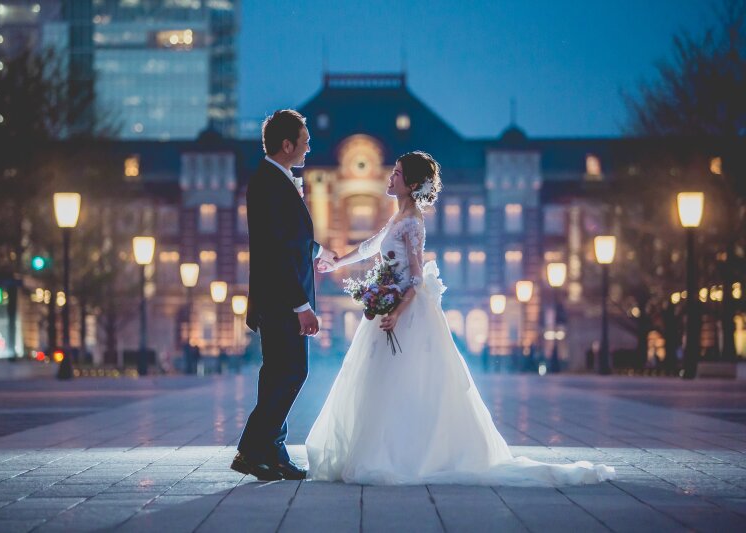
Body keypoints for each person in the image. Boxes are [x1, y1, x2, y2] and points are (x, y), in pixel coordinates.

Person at [305, 151, 615, 486]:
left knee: (402, 380)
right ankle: (381, 449)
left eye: (395, 174)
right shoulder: (397, 219)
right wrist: (336, 264)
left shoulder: (412, 222)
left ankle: (402, 453)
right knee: (381, 380)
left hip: (405, 313)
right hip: (389, 307)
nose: (389, 178)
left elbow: (415, 278)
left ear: (410, 184)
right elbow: (369, 247)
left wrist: (395, 311)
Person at [231, 110, 337, 482]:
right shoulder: (269, 183)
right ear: (287, 144)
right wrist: (302, 306)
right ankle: (252, 448)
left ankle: (271, 452)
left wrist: (319, 252)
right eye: (304, 141)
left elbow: (291, 240)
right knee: (293, 371)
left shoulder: (273, 179)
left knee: (277, 375)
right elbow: (277, 250)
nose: (309, 146)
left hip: (278, 299)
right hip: (282, 301)